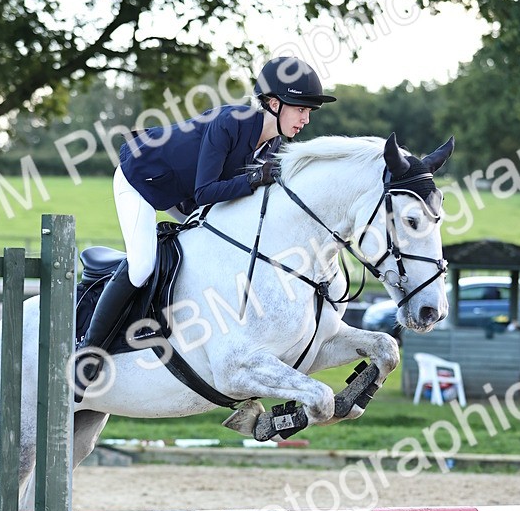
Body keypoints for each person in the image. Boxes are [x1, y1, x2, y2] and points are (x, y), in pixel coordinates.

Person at [74, 56, 336, 396]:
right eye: (301, 108)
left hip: (183, 194)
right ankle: (88, 352)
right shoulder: (231, 122)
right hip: (141, 179)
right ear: (274, 103)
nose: (306, 118)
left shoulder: (273, 145)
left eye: (310, 111)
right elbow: (206, 191)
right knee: (142, 265)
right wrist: (256, 178)